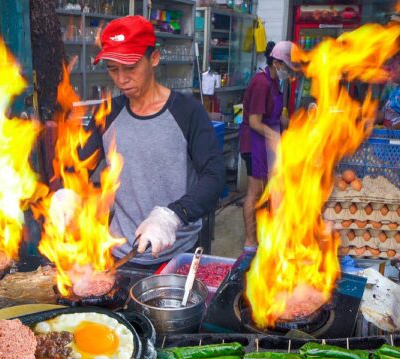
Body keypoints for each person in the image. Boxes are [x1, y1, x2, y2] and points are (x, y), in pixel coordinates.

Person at [70, 15, 225, 267]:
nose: (121, 79)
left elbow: (214, 176)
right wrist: (66, 193)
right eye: (113, 68)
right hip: (122, 254)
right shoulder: (107, 113)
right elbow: (77, 167)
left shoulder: (187, 111)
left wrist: (173, 214)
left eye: (130, 68)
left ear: (154, 58)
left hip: (177, 254)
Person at [239, 40, 298, 252]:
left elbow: (277, 118)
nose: (289, 74)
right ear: (276, 62)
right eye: (288, 68)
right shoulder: (261, 83)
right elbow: (255, 122)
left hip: (267, 141)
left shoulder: (274, 83)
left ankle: (266, 236)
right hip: (254, 143)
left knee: (269, 191)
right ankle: (249, 242)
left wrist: (299, 129)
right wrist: (276, 138)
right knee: (254, 192)